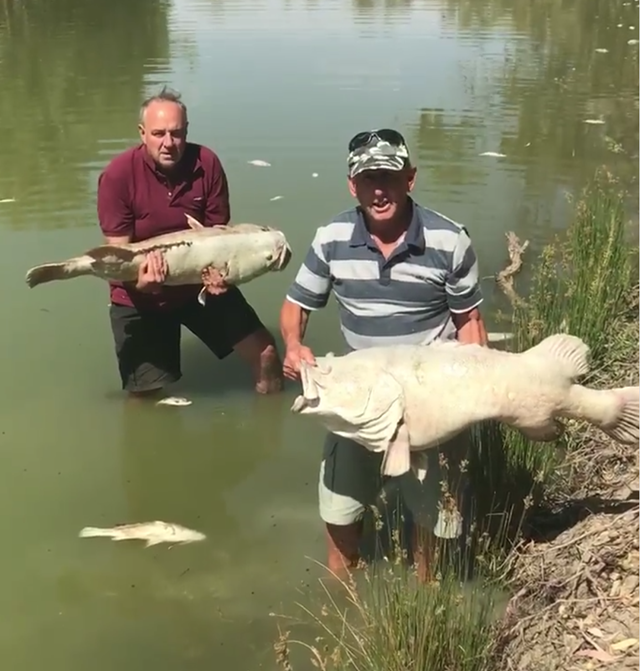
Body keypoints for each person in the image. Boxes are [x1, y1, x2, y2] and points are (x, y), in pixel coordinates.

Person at [279, 128, 488, 581]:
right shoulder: (332, 237)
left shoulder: (449, 240)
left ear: (409, 178)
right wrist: (294, 345)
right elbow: (296, 305)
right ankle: (342, 606)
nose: (379, 190)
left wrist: (473, 397)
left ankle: (424, 595)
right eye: (368, 178)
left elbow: (470, 325)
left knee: (432, 532)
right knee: (339, 517)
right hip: (359, 395)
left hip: (429, 397)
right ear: (352, 185)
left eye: (389, 177)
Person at [97, 86, 283, 399]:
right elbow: (118, 261)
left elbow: (220, 239)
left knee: (266, 354)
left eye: (176, 133)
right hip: (140, 297)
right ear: (142, 133)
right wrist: (144, 285)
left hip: (200, 286)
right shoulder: (117, 175)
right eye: (158, 134)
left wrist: (223, 278)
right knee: (145, 396)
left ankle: (270, 430)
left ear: (186, 131)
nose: (168, 143)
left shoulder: (206, 163)